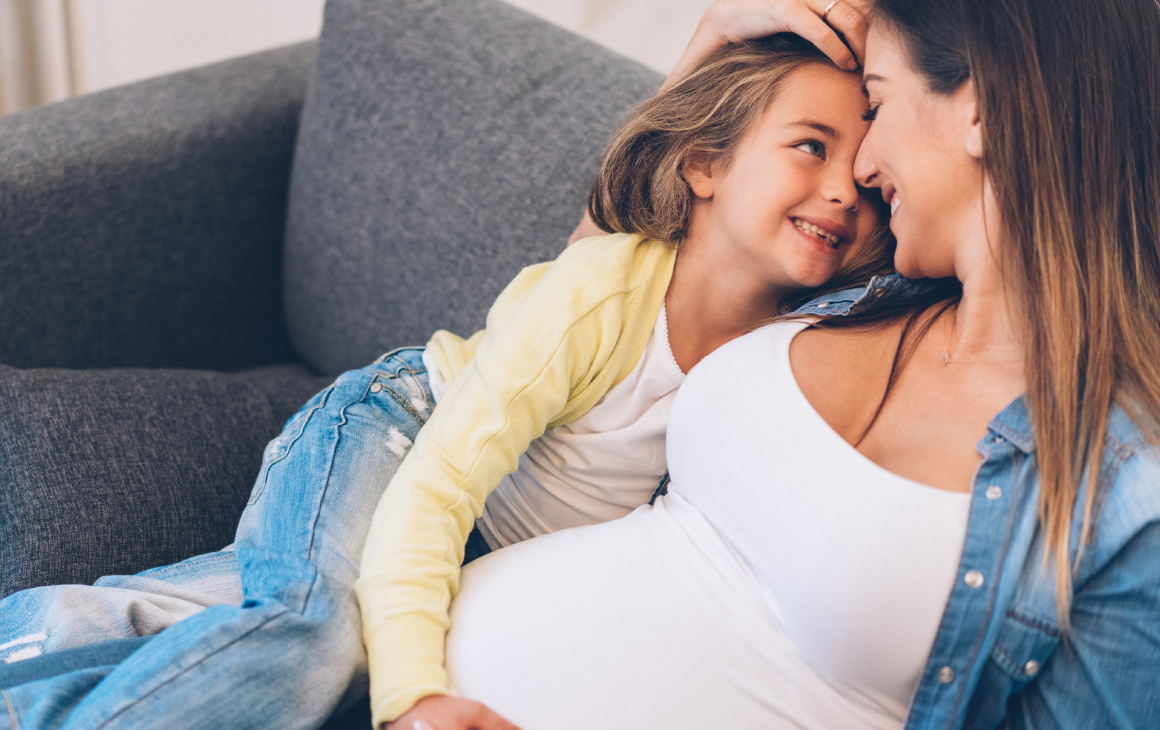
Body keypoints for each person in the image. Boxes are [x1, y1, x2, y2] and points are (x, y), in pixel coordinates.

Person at [0, 29, 891, 730]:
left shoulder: (788, 353)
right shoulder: (600, 295)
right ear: (703, 163)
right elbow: (437, 488)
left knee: (213, 612)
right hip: (400, 433)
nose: (844, 190)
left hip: (483, 542)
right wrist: (411, 694)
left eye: (867, 178)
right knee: (315, 639)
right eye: (810, 147)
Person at [403, 0, 1160, 728]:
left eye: (878, 100)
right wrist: (707, 49)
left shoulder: (1123, 500)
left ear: (980, 110)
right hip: (400, 668)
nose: (861, 165)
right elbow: (592, 292)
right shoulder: (867, 286)